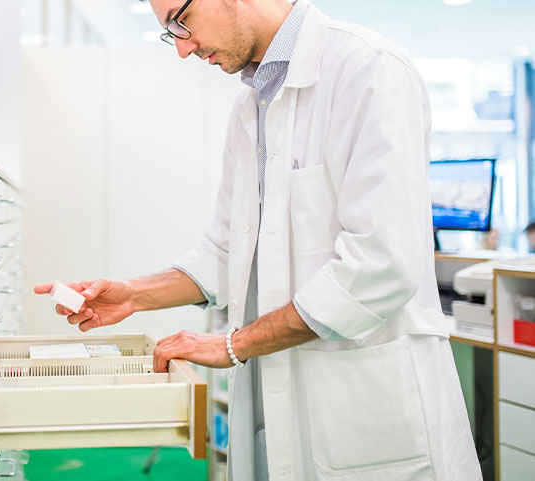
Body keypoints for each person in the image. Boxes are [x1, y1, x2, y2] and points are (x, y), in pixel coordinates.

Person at [35, 0, 482, 479]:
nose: (182, 49)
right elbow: (229, 250)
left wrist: (234, 344)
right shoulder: (252, 103)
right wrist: (134, 295)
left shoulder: (367, 69)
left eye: (179, 23)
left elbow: (378, 266)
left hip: (368, 406)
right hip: (281, 400)